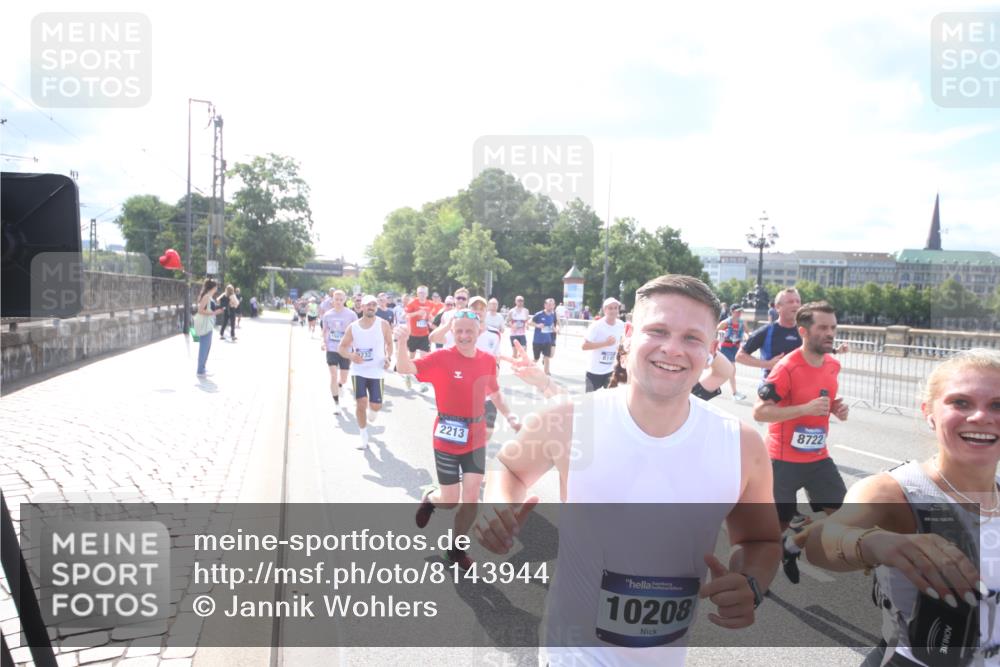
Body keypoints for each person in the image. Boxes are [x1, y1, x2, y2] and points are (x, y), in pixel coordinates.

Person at [476, 274, 780, 666]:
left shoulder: (741, 445)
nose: (672, 348)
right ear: (629, 336)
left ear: (711, 350)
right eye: (658, 330)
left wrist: (750, 584)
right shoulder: (571, 419)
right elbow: (511, 469)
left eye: (691, 337)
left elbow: (761, 541)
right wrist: (499, 507)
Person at [804, 348, 1000, 666]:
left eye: (997, 405)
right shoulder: (896, 489)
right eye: (960, 402)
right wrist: (874, 543)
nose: (981, 416)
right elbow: (822, 539)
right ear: (929, 412)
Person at [395, 309, 521, 571]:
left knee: (472, 497)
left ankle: (455, 550)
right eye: (459, 331)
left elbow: (494, 392)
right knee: (450, 499)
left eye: (469, 331)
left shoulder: (487, 360)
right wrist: (401, 343)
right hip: (446, 436)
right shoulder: (441, 358)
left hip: (475, 438)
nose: (464, 336)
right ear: (452, 332)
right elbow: (405, 368)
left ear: (479, 332)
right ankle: (432, 499)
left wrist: (510, 417)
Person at [752, 300, 849, 585]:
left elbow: (825, 399)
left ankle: (792, 547)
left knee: (845, 518)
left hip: (818, 458)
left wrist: (835, 408)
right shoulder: (787, 368)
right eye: (823, 328)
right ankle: (757, 580)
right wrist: (804, 409)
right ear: (804, 331)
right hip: (783, 462)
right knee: (776, 526)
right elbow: (760, 411)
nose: (830, 333)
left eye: (833, 327)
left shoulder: (833, 365)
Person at [338, 295, 393, 450]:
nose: (371, 307)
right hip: (359, 371)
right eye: (368, 305)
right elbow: (341, 348)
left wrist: (388, 357)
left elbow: (389, 343)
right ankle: (363, 436)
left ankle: (373, 410)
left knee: (375, 406)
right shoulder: (353, 327)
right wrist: (351, 355)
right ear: (361, 307)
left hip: (377, 371)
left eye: (374, 305)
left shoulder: (383, 325)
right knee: (361, 403)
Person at [736, 287, 803, 381]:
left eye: (798, 301)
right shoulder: (766, 331)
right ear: (778, 307)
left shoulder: (806, 332)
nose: (795, 305)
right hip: (772, 389)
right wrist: (767, 364)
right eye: (790, 302)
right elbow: (740, 356)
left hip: (799, 388)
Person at [320, 289, 358, 416]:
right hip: (331, 348)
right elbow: (325, 330)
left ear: (345, 300)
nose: (338, 302)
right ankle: (336, 404)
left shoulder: (351, 315)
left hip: (346, 350)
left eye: (341, 299)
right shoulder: (327, 315)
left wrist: (355, 347)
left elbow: (356, 332)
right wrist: (323, 342)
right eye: (336, 299)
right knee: (333, 376)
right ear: (332, 300)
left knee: (343, 378)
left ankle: (340, 385)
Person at [581, 297, 626, 392]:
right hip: (594, 371)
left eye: (615, 308)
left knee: (610, 400)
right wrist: (605, 343)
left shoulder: (621, 325)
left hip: (611, 370)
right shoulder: (596, 326)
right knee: (590, 401)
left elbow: (623, 342)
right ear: (605, 310)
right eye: (610, 308)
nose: (613, 311)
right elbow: (584, 346)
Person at [404, 286, 434, 390]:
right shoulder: (412, 303)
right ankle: (408, 374)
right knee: (412, 357)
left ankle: (423, 382)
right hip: (413, 335)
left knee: (423, 358)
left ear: (427, 294)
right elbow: (405, 315)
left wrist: (430, 319)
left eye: (423, 293)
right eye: (420, 293)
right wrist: (417, 313)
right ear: (417, 294)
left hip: (424, 335)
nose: (422, 295)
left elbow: (431, 316)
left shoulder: (430, 304)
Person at [717, 304, 748, 400]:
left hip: (735, 348)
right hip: (726, 348)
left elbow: (747, 333)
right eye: (737, 311)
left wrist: (747, 339)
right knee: (732, 370)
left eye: (740, 312)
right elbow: (715, 331)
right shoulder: (725, 323)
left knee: (726, 371)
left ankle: (712, 386)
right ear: (732, 312)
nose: (739, 313)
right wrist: (717, 342)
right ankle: (734, 393)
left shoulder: (742, 323)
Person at [195, 279, 224, 377]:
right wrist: (214, 313)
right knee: (204, 347)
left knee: (206, 347)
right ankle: (200, 370)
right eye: (216, 286)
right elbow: (200, 310)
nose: (217, 288)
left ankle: (202, 368)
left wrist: (217, 310)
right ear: (213, 287)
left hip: (208, 325)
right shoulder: (207, 297)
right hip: (205, 325)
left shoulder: (209, 297)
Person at [530, 297, 558, 376]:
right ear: (545, 305)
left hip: (547, 340)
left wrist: (554, 329)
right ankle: (528, 369)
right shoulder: (539, 314)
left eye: (552, 305)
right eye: (548, 305)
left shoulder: (553, 315)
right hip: (537, 341)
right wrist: (538, 325)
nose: (550, 306)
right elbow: (529, 322)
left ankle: (546, 373)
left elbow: (551, 325)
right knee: (536, 359)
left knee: (547, 357)